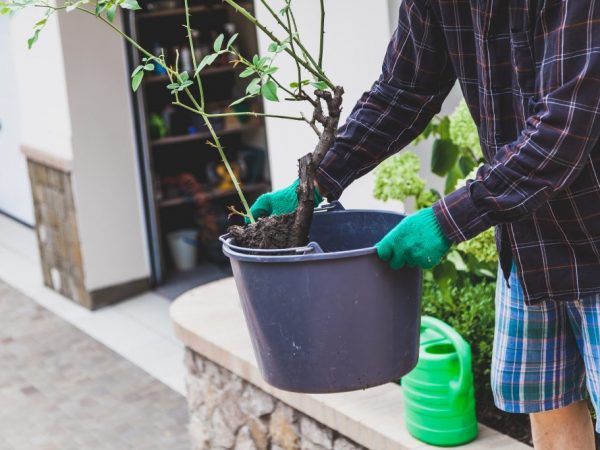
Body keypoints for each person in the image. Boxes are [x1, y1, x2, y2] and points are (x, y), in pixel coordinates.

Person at [249, 1, 600, 448]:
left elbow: (563, 127)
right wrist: (318, 180)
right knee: (550, 412)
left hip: (593, 231)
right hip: (527, 240)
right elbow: (403, 90)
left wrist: (447, 220)